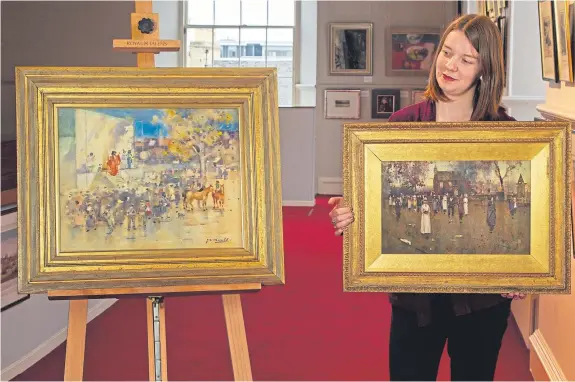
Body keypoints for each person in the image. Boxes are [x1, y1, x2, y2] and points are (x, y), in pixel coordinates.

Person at [328, 14, 526, 382]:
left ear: (486, 69)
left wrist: (523, 268)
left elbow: (527, 228)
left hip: (482, 301)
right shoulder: (404, 124)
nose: (450, 65)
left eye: (467, 60)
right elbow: (377, 208)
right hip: (415, 299)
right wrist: (351, 213)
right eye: (447, 53)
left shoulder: (507, 135)